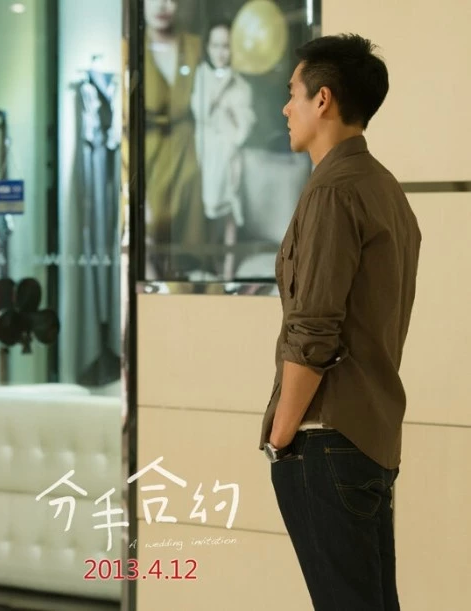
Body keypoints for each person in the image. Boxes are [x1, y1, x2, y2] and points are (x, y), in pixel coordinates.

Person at [258, 34, 421, 610]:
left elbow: (313, 331)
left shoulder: (333, 191)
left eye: (292, 93)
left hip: (325, 439)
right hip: (371, 439)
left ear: (322, 99)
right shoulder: (384, 188)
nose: (286, 108)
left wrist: (280, 437)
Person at [143, 0, 209, 279]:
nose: (162, 5)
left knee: (189, 247)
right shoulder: (132, 49)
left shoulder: (195, 47)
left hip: (188, 149)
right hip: (146, 152)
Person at [190, 20, 256, 280]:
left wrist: (233, 116)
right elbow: (201, 112)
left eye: (226, 46)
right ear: (208, 47)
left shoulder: (241, 84)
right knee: (206, 210)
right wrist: (219, 90)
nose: (220, 52)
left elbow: (243, 128)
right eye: (215, 45)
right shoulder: (201, 77)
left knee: (229, 211)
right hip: (205, 153)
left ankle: (228, 269)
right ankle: (209, 263)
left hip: (228, 154)